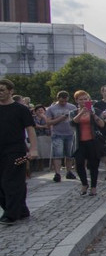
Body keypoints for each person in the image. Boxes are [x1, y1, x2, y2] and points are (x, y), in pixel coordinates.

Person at [0, 78, 38, 225]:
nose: (0, 93)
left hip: (16, 151)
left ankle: (10, 214)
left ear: (11, 91)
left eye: (2, 90)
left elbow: (30, 129)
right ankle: (21, 210)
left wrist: (33, 149)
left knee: (11, 182)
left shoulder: (21, 109)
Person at [71, 90, 106, 197]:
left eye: (85, 99)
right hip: (80, 142)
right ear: (77, 101)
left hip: (93, 141)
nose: (83, 101)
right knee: (79, 164)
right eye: (81, 99)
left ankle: (94, 187)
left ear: (89, 100)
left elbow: (102, 124)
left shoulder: (96, 111)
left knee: (94, 165)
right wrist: (81, 112)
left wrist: (93, 114)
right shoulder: (73, 112)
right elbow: (73, 123)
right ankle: (84, 184)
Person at [47, 91, 78, 182]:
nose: (63, 103)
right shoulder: (51, 109)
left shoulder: (72, 107)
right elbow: (48, 122)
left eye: (65, 101)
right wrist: (61, 118)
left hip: (70, 133)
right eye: (61, 101)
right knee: (57, 154)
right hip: (57, 133)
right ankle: (57, 173)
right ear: (58, 99)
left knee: (69, 155)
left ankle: (69, 171)